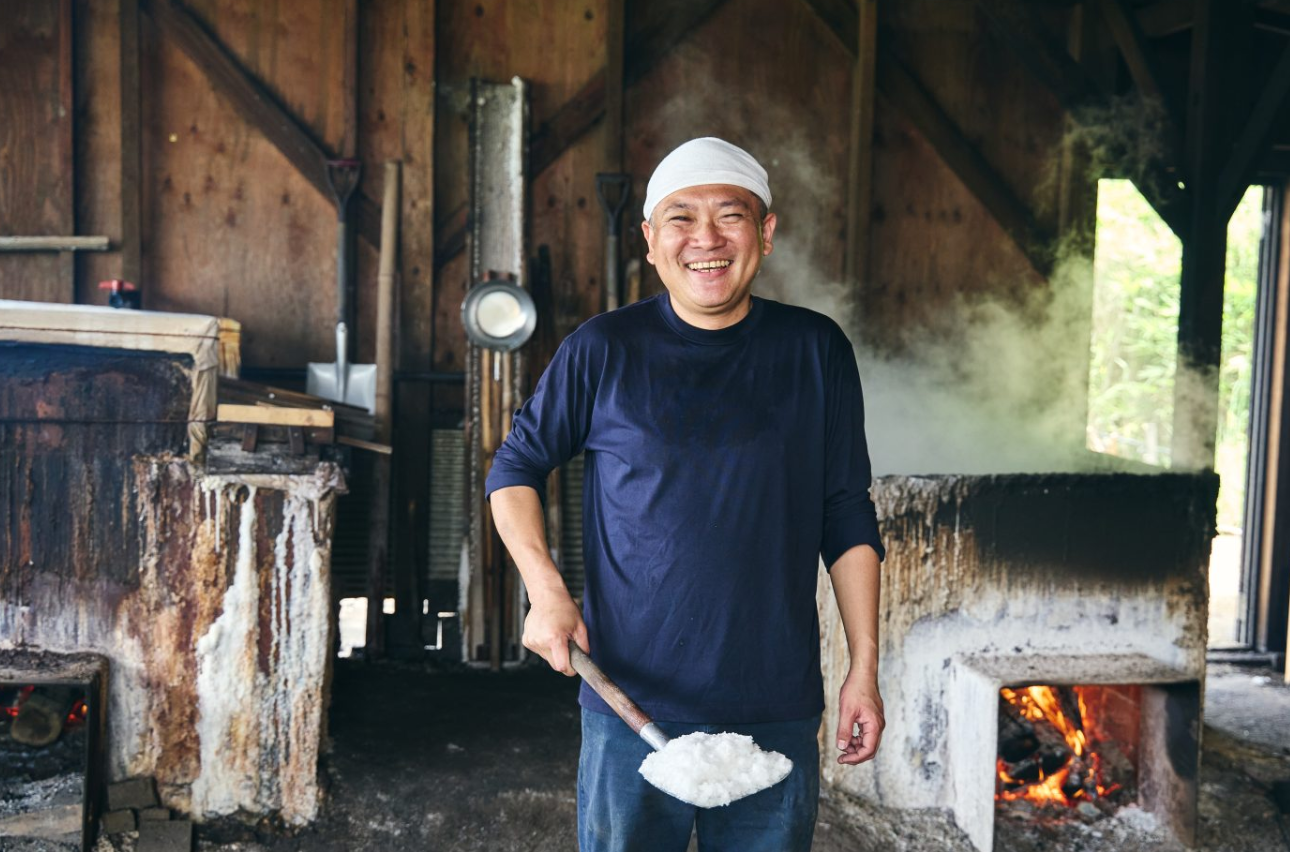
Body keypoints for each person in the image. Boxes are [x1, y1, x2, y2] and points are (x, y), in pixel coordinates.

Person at [485, 136, 884, 852]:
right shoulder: (603, 349)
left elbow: (846, 511)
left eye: (730, 216)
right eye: (680, 217)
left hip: (775, 705)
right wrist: (546, 590)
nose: (706, 239)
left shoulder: (815, 351)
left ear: (765, 232)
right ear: (649, 238)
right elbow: (514, 469)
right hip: (629, 700)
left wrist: (864, 667)